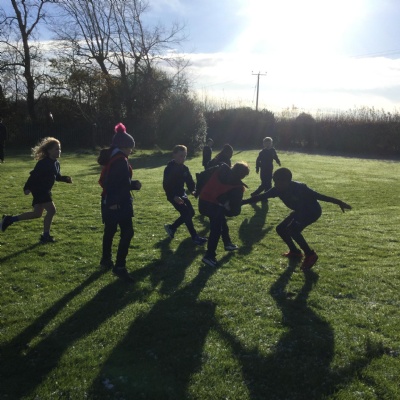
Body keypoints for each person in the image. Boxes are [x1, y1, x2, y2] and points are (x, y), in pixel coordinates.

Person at [242, 167, 351, 271]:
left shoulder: (300, 188)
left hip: (312, 212)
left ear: (288, 181)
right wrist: (241, 202)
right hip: (300, 211)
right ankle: (295, 251)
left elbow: (319, 196)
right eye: (275, 182)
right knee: (280, 229)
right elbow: (261, 196)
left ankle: (310, 255)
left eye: (280, 183)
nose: (277, 185)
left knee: (293, 230)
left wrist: (339, 202)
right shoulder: (276, 190)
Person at [0, 137, 72, 243]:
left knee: (37, 214)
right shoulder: (43, 163)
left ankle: (9, 219)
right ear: (49, 151)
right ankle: (45, 236)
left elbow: (57, 177)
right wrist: (27, 187)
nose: (59, 151)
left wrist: (65, 179)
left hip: (45, 190)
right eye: (56, 149)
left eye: (60, 149)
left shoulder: (56, 163)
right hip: (40, 190)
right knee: (52, 210)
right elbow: (33, 176)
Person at [98, 123, 141, 283]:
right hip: (118, 202)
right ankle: (120, 266)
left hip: (108, 200)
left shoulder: (113, 157)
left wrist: (132, 184)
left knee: (110, 230)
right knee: (127, 232)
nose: (131, 150)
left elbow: (117, 181)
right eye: (130, 147)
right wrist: (114, 202)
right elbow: (113, 183)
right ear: (123, 146)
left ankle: (106, 259)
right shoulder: (121, 160)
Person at [199, 162, 249, 267]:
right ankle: (209, 256)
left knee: (221, 221)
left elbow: (202, 175)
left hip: (203, 202)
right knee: (216, 230)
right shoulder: (238, 187)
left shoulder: (219, 169)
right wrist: (228, 207)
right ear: (243, 176)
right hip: (214, 206)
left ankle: (227, 243)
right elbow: (234, 211)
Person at [163, 145, 207, 245]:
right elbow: (166, 185)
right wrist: (174, 196)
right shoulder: (169, 169)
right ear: (174, 155)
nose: (183, 158)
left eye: (184, 156)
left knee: (191, 213)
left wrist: (193, 190)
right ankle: (195, 237)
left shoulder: (185, 168)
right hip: (173, 196)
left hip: (182, 194)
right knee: (186, 213)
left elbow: (190, 181)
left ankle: (171, 227)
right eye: (181, 156)